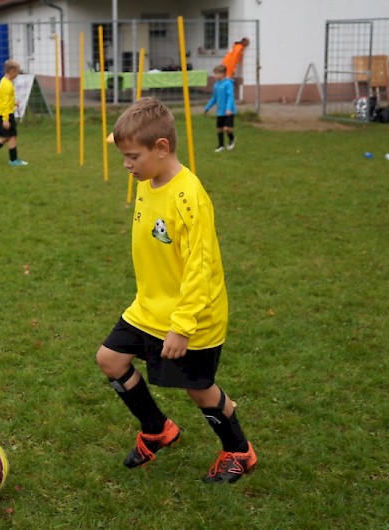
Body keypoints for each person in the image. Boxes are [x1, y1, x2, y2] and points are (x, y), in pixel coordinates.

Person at [95, 97, 256, 485]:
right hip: (149, 308)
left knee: (198, 390)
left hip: (191, 315)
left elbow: (201, 268)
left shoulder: (189, 197)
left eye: (132, 156)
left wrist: (182, 326)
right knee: (110, 359)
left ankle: (239, 451)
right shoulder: (148, 181)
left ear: (161, 148)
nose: (126, 164)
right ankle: (157, 429)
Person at [0, 59, 28, 166]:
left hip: (2, 113)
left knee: (8, 136)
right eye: (17, 72)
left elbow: (3, 100)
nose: (17, 74)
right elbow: (5, 104)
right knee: (10, 136)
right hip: (5, 114)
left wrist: (13, 103)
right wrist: (6, 119)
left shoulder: (4, 82)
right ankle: (11, 159)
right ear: (11, 71)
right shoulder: (7, 85)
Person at [204, 64, 237, 153]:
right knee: (219, 129)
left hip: (229, 111)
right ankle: (221, 146)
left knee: (227, 128)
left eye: (216, 74)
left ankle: (232, 138)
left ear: (223, 74)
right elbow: (214, 98)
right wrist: (207, 107)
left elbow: (230, 97)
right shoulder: (216, 85)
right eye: (214, 73)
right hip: (220, 111)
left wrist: (228, 108)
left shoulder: (228, 84)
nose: (214, 76)